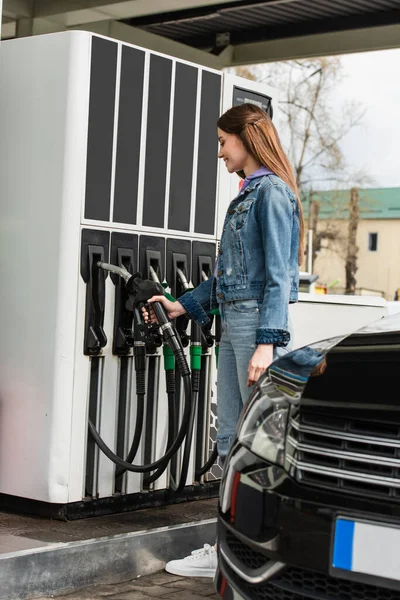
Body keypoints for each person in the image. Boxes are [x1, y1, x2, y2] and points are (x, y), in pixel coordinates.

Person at [143, 103, 304, 578]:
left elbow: (277, 275)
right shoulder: (248, 194)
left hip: (253, 326)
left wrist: (267, 342)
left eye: (222, 142)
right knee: (230, 438)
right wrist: (182, 305)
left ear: (246, 139)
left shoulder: (271, 193)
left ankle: (251, 550)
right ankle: (226, 548)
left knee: (255, 444)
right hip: (235, 322)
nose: (219, 153)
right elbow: (228, 277)